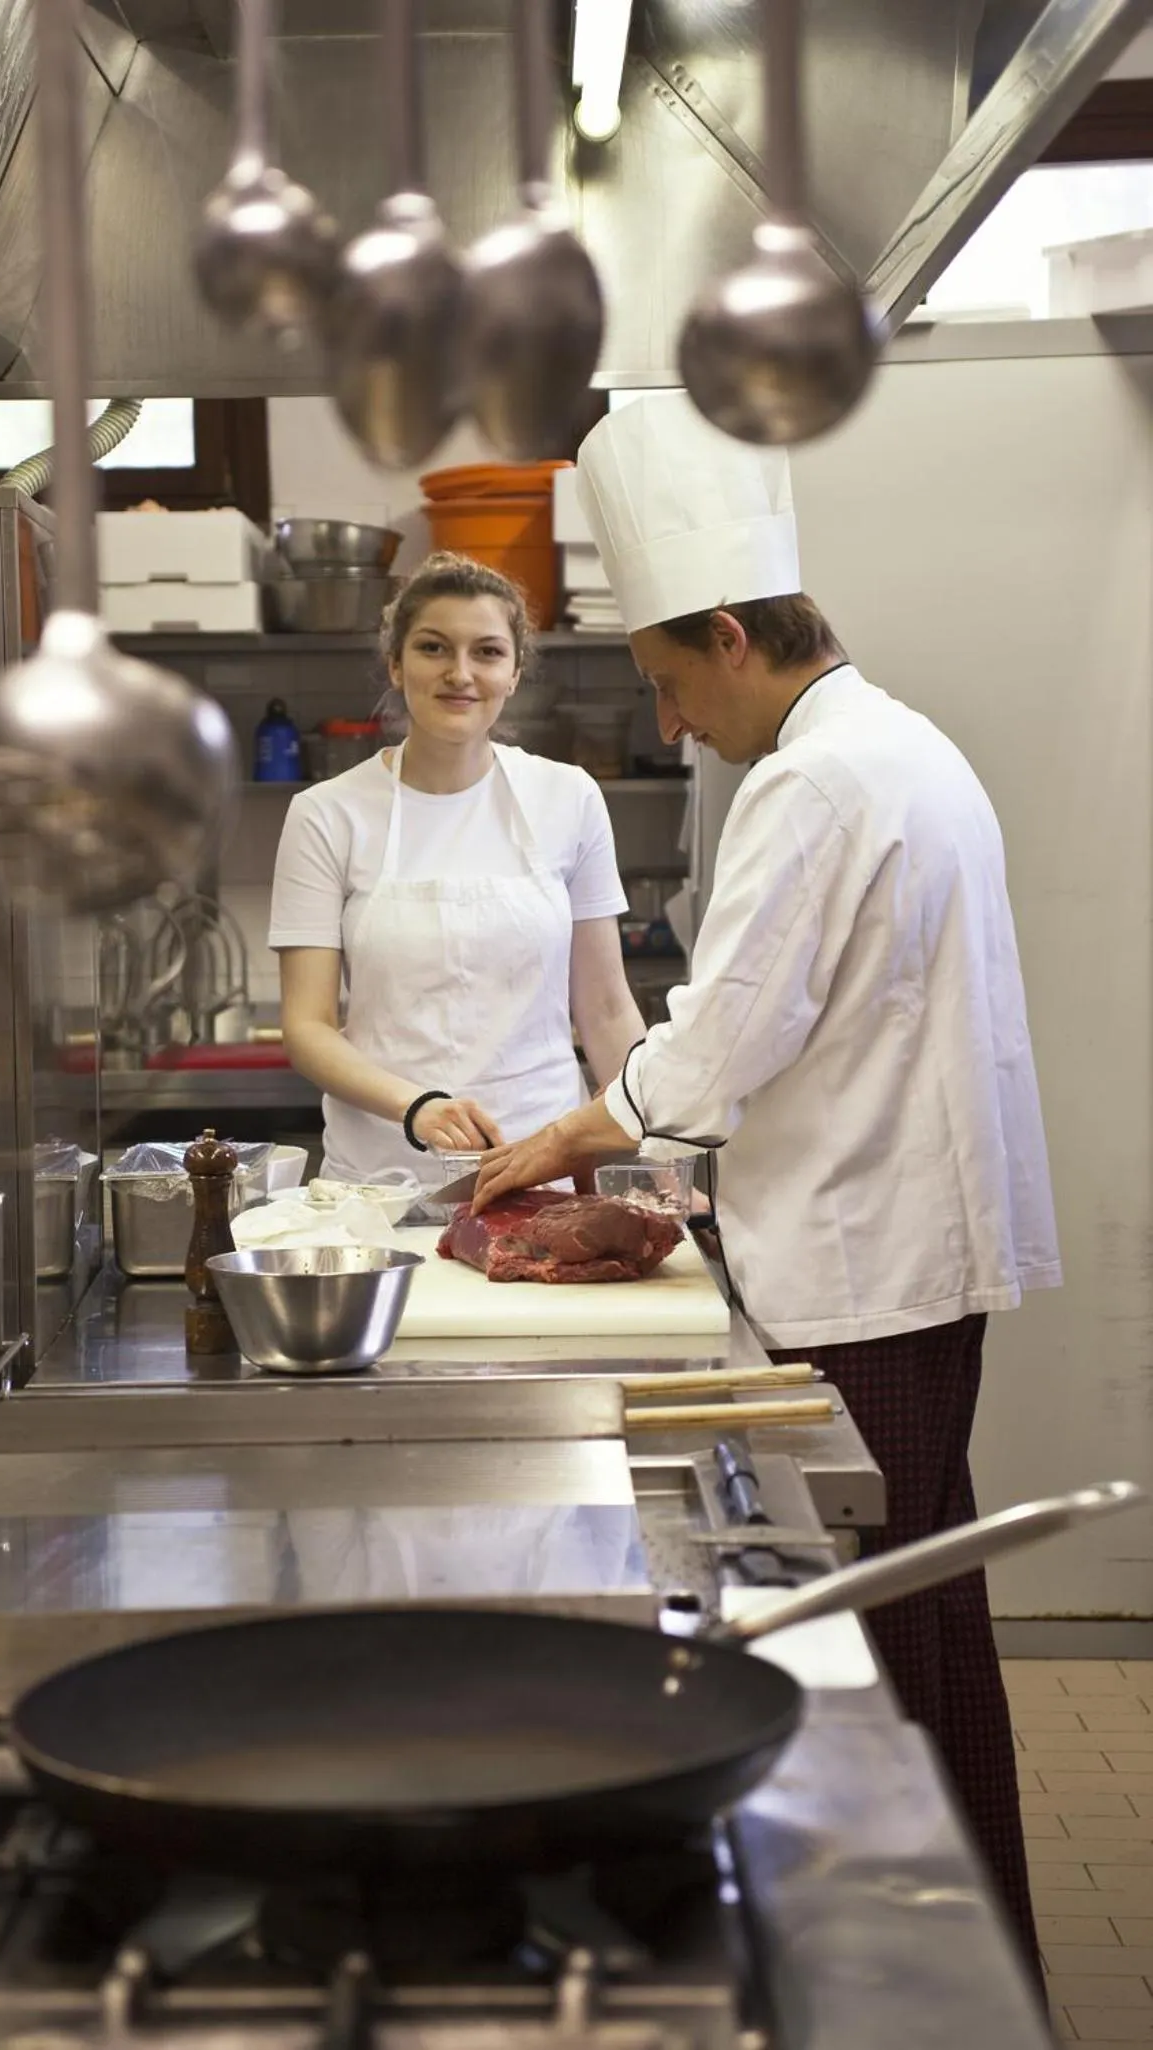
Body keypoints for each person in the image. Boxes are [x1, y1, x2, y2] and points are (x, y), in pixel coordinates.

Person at [471, 394, 1061, 1977]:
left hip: (863, 1268)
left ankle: (918, 1977)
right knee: (924, 1624)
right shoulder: (898, 743)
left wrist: (575, 1134)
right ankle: (976, 1963)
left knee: (878, 1651)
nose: (669, 724)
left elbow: (727, 1034)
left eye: (667, 686)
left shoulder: (814, 781)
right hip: (907, 1253)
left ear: (729, 636)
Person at [268, 551, 646, 1187]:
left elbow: (606, 1009)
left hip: (541, 1168)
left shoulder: (569, 798)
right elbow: (307, 1027)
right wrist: (415, 1106)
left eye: (488, 652)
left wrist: (659, 1152)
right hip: (381, 1181)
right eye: (434, 648)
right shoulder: (326, 813)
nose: (460, 674)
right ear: (396, 663)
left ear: (515, 673)